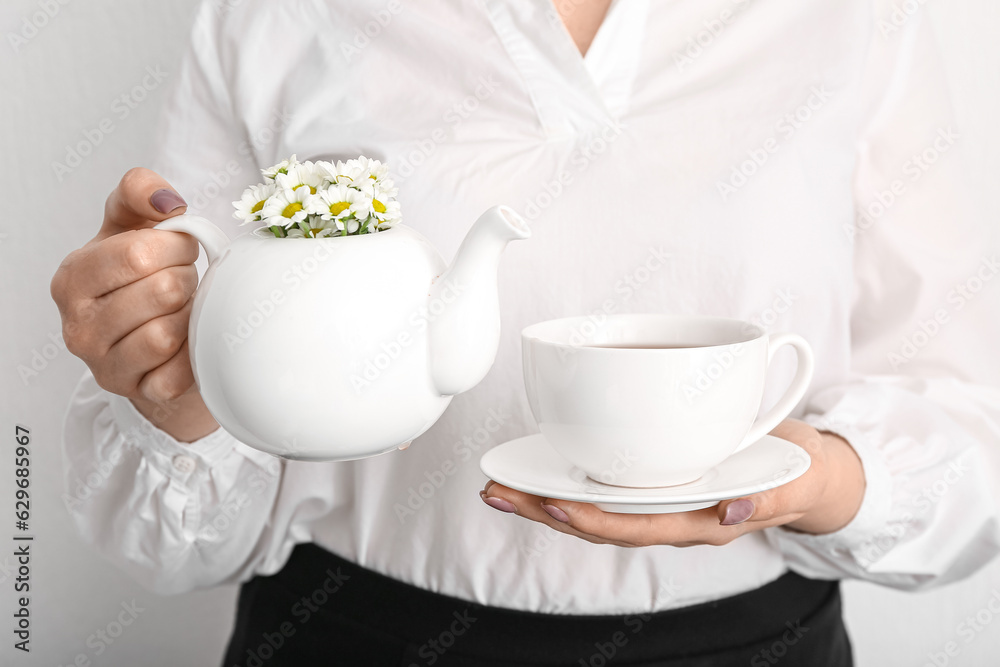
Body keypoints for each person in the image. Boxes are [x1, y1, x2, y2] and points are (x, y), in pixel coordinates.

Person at [50, 0, 1000, 664]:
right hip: (351, 634)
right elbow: (171, 550)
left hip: (753, 645)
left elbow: (968, 430)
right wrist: (167, 383)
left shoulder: (851, 14)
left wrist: (822, 479)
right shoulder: (281, 12)